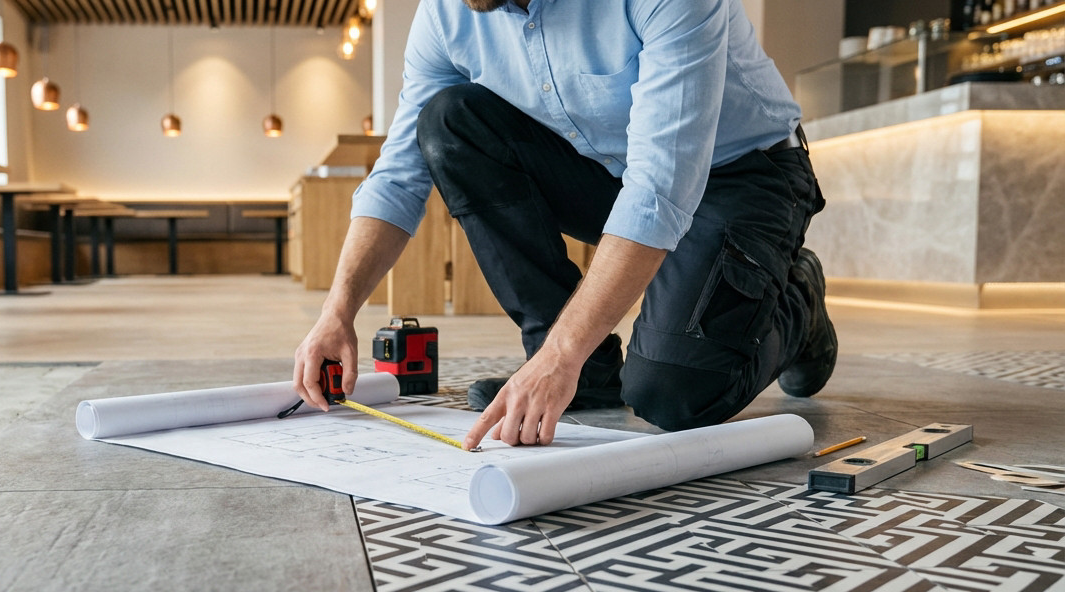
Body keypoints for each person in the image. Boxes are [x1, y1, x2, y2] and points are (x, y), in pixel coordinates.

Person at [292, 0, 835, 451]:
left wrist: (561, 355)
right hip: (615, 173)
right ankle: (589, 375)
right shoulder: (447, 14)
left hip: (744, 175)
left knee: (672, 396)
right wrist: (336, 312)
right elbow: (399, 175)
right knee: (450, 120)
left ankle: (800, 302)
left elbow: (661, 184)